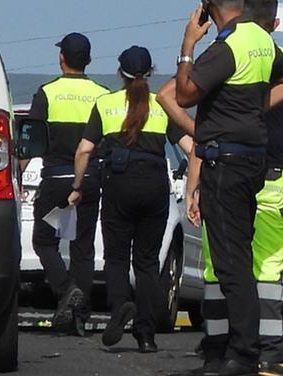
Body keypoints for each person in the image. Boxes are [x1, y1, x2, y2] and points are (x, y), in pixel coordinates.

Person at [164, 0, 283, 376]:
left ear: (208, 0)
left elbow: (183, 94)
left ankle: (241, 355)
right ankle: (240, 350)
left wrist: (188, 44)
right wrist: (256, 106)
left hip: (225, 161)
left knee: (230, 265)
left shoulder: (225, 49)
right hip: (253, 160)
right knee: (239, 259)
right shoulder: (261, 38)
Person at [69, 46, 189, 353]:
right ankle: (146, 335)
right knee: (148, 262)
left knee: (117, 257)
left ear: (120, 73)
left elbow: (84, 150)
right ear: (150, 73)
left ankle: (121, 305)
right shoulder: (163, 105)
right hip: (154, 185)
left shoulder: (106, 104)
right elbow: (191, 146)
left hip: (118, 184)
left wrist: (78, 185)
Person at [24, 32, 108, 334]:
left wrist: (18, 173)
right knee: (82, 246)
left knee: (45, 240)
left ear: (62, 59)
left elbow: (30, 139)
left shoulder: (47, 92)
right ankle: (79, 316)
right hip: (89, 180)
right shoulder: (102, 94)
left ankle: (66, 289)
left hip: (57, 181)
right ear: (88, 61)